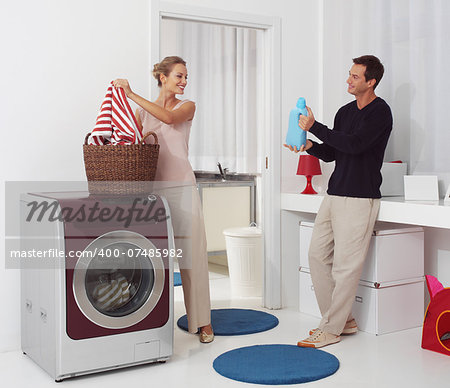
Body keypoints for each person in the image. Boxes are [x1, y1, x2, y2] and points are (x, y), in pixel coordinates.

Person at [285, 55, 393, 348]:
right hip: (334, 194)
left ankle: (331, 329)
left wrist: (315, 126)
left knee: (346, 266)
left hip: (360, 197)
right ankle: (342, 321)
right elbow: (335, 152)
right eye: (349, 75)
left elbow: (356, 145)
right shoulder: (345, 112)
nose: (348, 80)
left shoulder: (380, 112)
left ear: (371, 82)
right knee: (317, 256)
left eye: (355, 77)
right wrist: (308, 145)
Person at [113, 56, 214, 343]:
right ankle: (147, 320)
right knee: (151, 259)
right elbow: (131, 143)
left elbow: (169, 119)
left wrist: (131, 93)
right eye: (179, 76)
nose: (184, 81)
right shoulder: (141, 114)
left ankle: (203, 321)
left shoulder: (187, 106)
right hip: (152, 194)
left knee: (192, 256)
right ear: (163, 77)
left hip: (182, 188)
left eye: (185, 77)